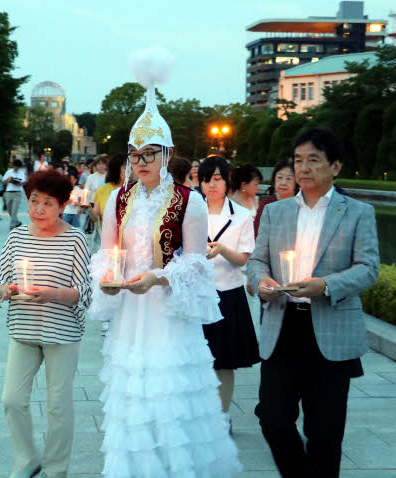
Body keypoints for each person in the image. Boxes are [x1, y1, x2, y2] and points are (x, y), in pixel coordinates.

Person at [89, 46, 241, 478]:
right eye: (134, 155)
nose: (140, 163)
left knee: (169, 391)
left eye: (149, 154)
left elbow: (196, 263)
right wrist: (107, 277)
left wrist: (156, 278)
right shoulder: (119, 197)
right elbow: (107, 250)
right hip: (131, 312)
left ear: (167, 155)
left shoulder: (188, 201)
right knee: (133, 394)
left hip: (167, 310)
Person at [248, 127, 379, 478]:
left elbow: (368, 269)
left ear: (334, 166)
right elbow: (257, 260)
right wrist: (261, 281)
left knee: (325, 432)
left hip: (331, 328)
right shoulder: (277, 212)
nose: (303, 168)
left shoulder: (357, 213)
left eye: (313, 160)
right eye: (298, 160)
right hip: (282, 325)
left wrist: (325, 285)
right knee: (273, 418)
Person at [0, 169, 92, 478]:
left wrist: (52, 295)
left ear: (63, 206)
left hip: (61, 334)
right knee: (11, 400)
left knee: (58, 407)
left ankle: (56, 468)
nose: (38, 209)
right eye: (34, 201)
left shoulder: (76, 239)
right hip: (23, 330)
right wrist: (5, 291)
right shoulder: (17, 236)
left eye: (47, 203)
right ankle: (27, 459)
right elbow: (0, 281)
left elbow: (85, 293)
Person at [199, 155, 260, 431]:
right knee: (194, 358)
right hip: (195, 295)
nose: (211, 185)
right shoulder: (190, 212)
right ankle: (197, 414)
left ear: (226, 181)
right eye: (206, 179)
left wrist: (221, 249)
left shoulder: (242, 216)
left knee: (224, 361)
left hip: (227, 294)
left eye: (217, 179)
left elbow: (244, 259)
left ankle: (222, 415)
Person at [254, 158, 298, 239]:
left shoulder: (301, 204)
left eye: (289, 178)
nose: (283, 183)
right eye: (279, 177)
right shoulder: (266, 203)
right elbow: (258, 234)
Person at [93, 153, 127, 221]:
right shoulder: (102, 190)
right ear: (116, 169)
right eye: (125, 168)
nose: (131, 171)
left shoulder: (137, 190)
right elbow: (96, 218)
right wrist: (87, 208)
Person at [3, 159, 27, 230]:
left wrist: (16, 182)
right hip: (9, 192)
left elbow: (23, 182)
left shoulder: (21, 173)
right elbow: (3, 182)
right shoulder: (9, 172)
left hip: (17, 193)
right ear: (13, 166)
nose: (16, 169)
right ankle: (16, 222)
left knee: (14, 210)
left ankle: (12, 226)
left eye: (18, 167)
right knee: (9, 210)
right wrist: (8, 179)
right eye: (15, 167)